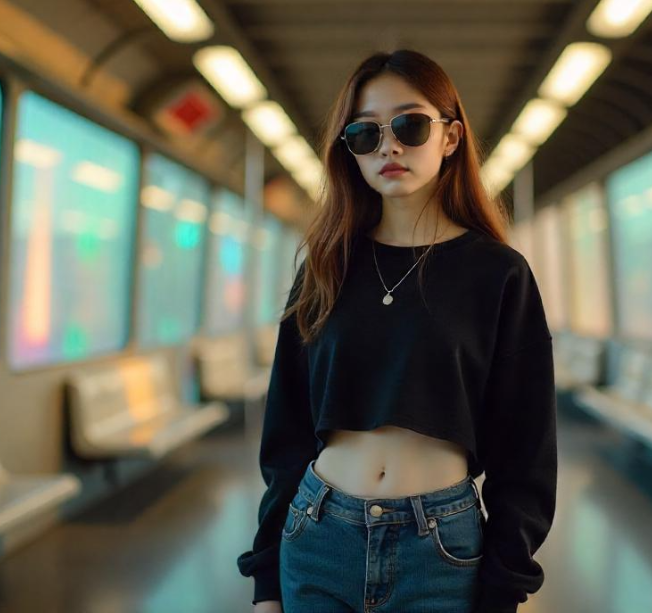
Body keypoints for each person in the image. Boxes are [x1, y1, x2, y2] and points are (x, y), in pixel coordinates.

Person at [236, 49, 557, 613]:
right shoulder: (324, 267)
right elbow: (285, 433)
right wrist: (266, 583)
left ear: (451, 137)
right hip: (318, 537)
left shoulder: (498, 273)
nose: (389, 146)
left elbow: (525, 448)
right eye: (364, 134)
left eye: (410, 125)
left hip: (439, 548)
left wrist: (505, 587)